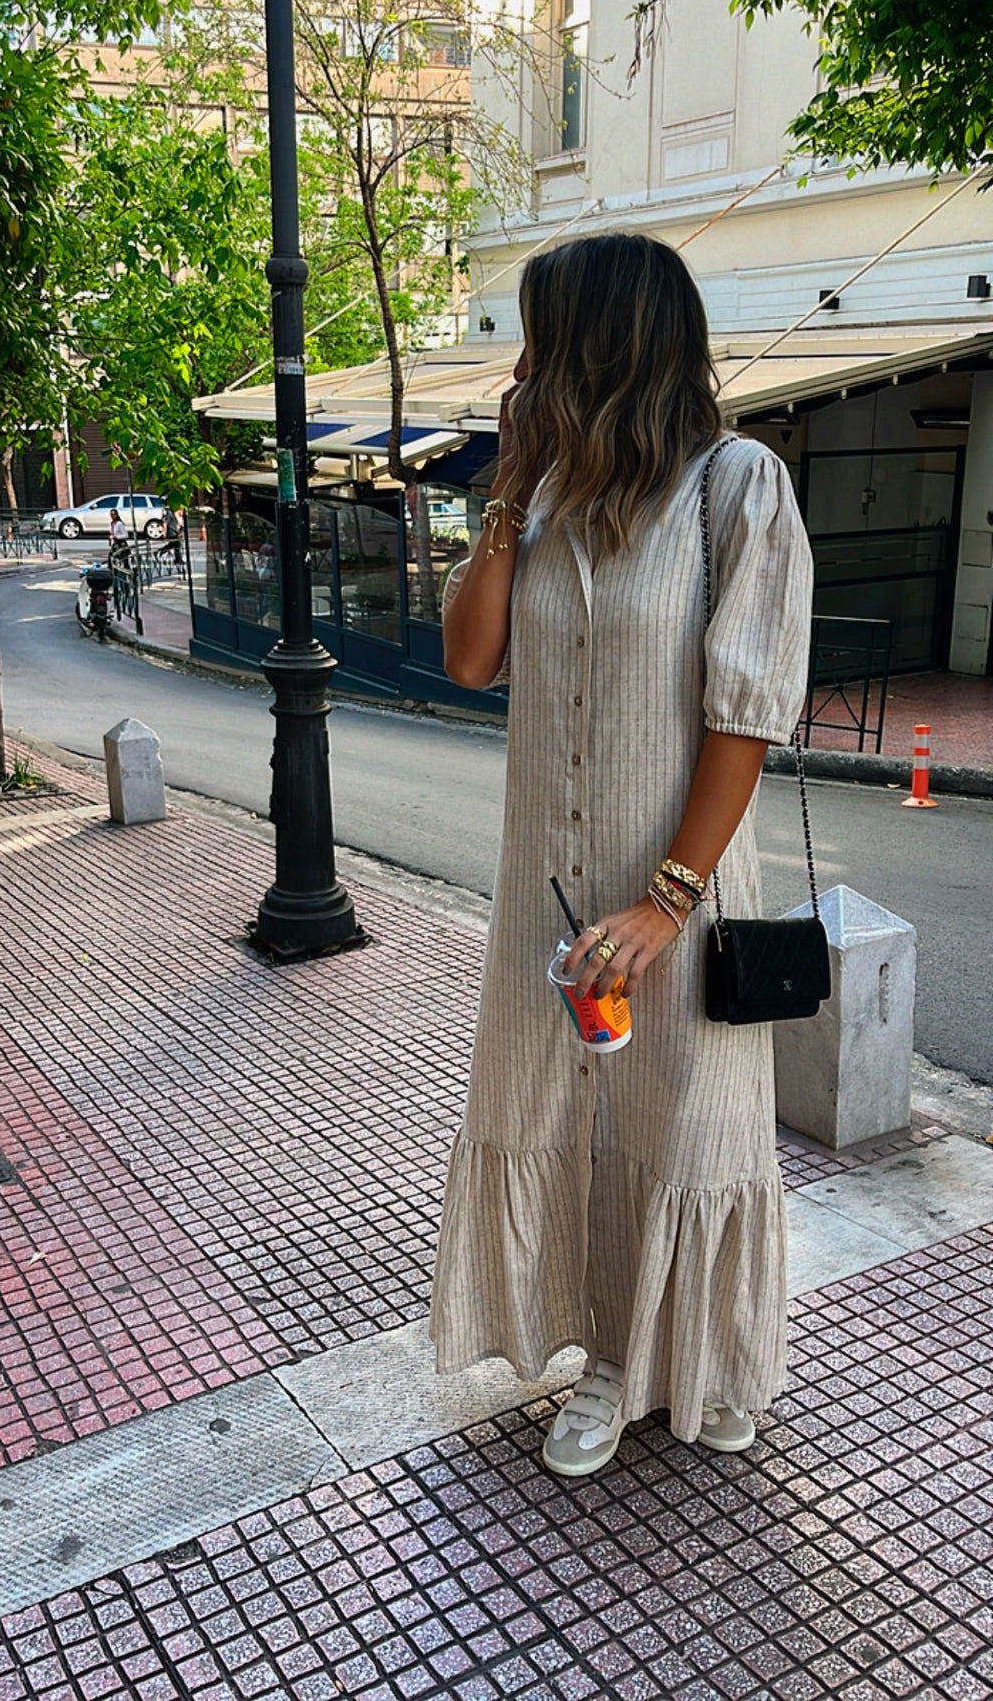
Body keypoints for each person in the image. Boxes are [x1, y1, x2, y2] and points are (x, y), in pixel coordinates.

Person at [429, 233, 813, 1477]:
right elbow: (469, 658)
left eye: (544, 338)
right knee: (573, 1116)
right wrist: (506, 484)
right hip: (549, 901)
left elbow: (743, 715)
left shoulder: (736, 485)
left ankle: (704, 1355)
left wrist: (663, 904)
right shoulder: (538, 501)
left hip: (679, 896)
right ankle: (606, 1354)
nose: (526, 364)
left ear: (606, 343)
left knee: (690, 1126)